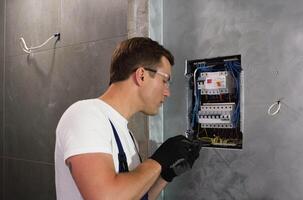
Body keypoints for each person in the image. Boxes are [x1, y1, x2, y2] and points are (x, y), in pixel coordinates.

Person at [55, 37, 201, 200]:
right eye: (164, 80)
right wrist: (158, 161)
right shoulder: (84, 115)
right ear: (141, 75)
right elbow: (105, 197)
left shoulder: (127, 135)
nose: (167, 92)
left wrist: (165, 174)